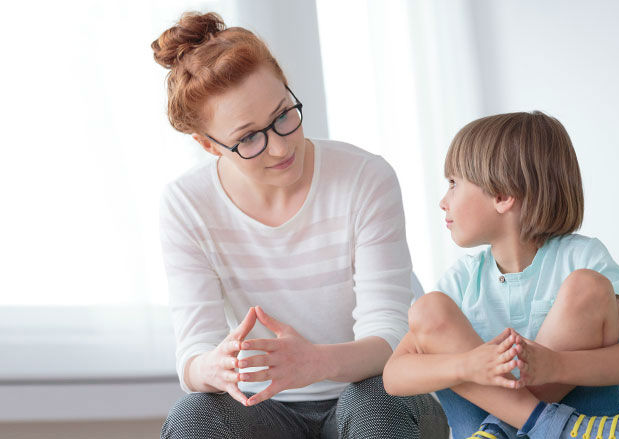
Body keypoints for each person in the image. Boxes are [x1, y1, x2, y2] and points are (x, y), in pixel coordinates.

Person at [152, 11, 448, 439]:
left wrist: (315, 363)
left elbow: (390, 337)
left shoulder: (364, 178)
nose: (280, 146)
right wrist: (212, 366)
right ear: (208, 145)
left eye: (284, 114)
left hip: (374, 393)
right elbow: (193, 355)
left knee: (375, 402)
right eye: (250, 138)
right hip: (265, 410)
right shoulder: (186, 205)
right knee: (195, 414)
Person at [383, 112, 619, 438]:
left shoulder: (581, 260)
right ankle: (551, 426)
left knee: (586, 286)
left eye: (453, 183)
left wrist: (556, 364)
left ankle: (504, 430)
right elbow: (394, 376)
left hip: (583, 422)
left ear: (502, 196)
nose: (443, 201)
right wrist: (470, 364)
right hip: (561, 429)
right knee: (428, 309)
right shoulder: (463, 281)